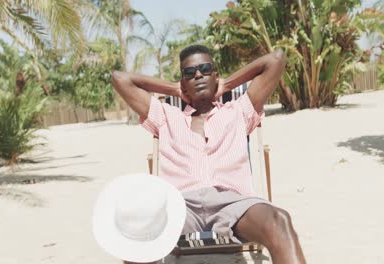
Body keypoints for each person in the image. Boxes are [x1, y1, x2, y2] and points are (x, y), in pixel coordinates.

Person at [111, 44, 306, 264]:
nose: (198, 75)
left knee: (279, 221)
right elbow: (119, 78)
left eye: (205, 69)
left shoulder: (239, 110)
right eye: (189, 73)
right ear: (182, 81)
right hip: (179, 205)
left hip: (234, 204)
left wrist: (228, 84)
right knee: (137, 229)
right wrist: (174, 89)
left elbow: (276, 59)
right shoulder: (166, 116)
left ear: (216, 75)